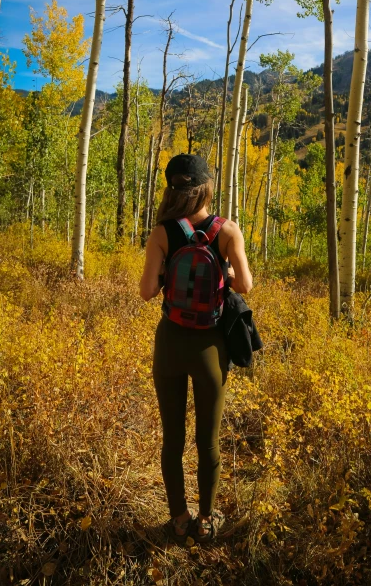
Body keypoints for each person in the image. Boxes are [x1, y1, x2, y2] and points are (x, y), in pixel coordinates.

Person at [139, 153, 253, 544]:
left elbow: (146, 292)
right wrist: (228, 273)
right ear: (206, 186)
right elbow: (246, 286)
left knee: (173, 438)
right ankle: (206, 518)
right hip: (211, 347)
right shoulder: (227, 231)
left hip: (170, 344)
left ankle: (179, 518)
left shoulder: (162, 232)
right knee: (208, 439)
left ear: (173, 188)